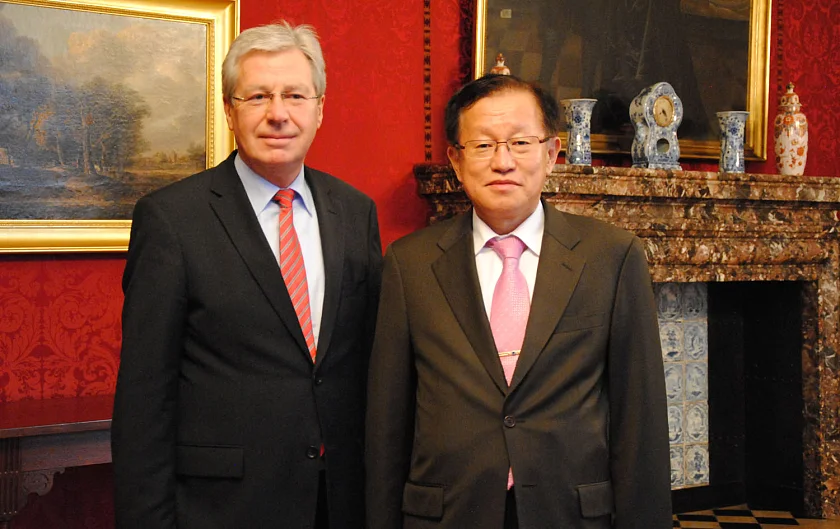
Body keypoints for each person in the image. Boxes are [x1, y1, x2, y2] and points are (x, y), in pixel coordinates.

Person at [365, 74, 671, 529]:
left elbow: (640, 420)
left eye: (520, 143)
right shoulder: (410, 264)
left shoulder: (611, 256)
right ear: (456, 160)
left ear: (551, 154)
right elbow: (387, 422)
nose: (502, 161)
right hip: (448, 514)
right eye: (483, 145)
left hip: (571, 514)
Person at [112, 21, 382, 529]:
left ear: (320, 109)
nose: (278, 113)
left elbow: (364, 363)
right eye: (257, 96)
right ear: (229, 110)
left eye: (295, 95)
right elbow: (144, 399)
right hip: (223, 507)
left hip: (339, 499)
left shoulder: (355, 211)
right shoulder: (172, 219)